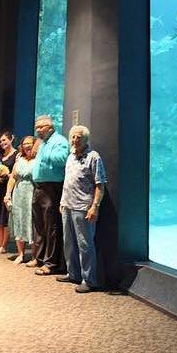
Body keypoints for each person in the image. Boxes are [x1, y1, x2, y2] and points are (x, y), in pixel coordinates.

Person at [57, 125, 106, 293]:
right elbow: (68, 181)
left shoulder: (94, 157)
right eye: (73, 137)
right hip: (67, 206)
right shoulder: (70, 156)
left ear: (85, 139)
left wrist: (95, 207)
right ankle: (73, 274)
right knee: (68, 243)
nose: (75, 140)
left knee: (85, 245)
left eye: (79, 137)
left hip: (83, 208)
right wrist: (62, 201)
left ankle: (89, 280)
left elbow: (100, 184)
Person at [29, 115, 69, 275]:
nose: (38, 130)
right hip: (39, 187)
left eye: (41, 127)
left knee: (51, 226)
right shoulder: (44, 143)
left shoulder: (59, 141)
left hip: (51, 188)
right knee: (39, 226)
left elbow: (62, 159)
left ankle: (51, 263)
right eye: (37, 127)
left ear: (50, 127)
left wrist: (42, 152)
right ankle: (39, 258)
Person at [5, 135, 36, 264]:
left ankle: (35, 256)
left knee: (32, 222)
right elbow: (12, 178)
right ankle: (21, 254)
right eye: (25, 144)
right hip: (18, 194)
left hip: (32, 194)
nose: (27, 146)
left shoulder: (38, 160)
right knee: (18, 221)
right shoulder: (19, 159)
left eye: (30, 143)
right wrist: (7, 194)